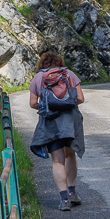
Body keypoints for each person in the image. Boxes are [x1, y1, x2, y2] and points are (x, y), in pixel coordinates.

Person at [29, 51, 85, 210]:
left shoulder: (38, 78)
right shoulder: (69, 74)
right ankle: (72, 192)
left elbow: (33, 103)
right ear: (59, 62)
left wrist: (49, 104)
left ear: (42, 64)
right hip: (70, 122)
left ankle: (64, 200)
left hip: (51, 123)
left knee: (57, 160)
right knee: (70, 155)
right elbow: (80, 98)